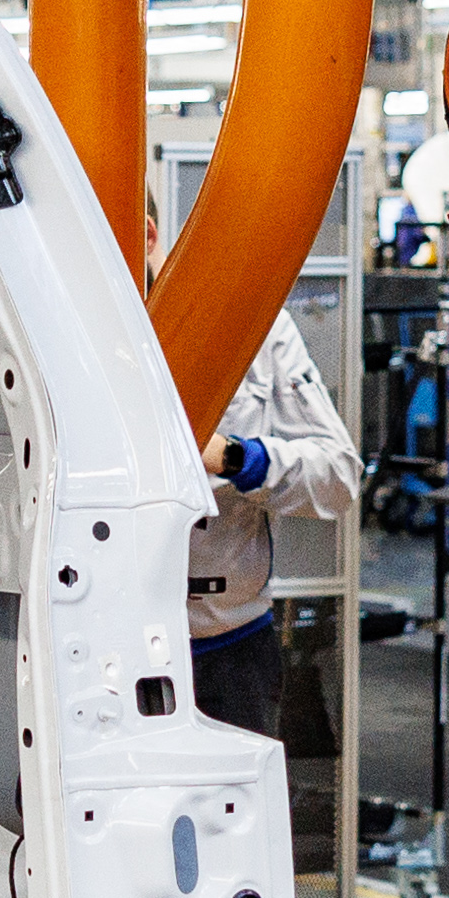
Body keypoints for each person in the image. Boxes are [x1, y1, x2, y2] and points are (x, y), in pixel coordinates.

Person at [186, 311, 358, 744]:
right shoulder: (80, 312)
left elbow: (339, 475)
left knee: (236, 808)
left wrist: (239, 459)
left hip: (230, 648)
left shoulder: (256, 317)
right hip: (106, 644)